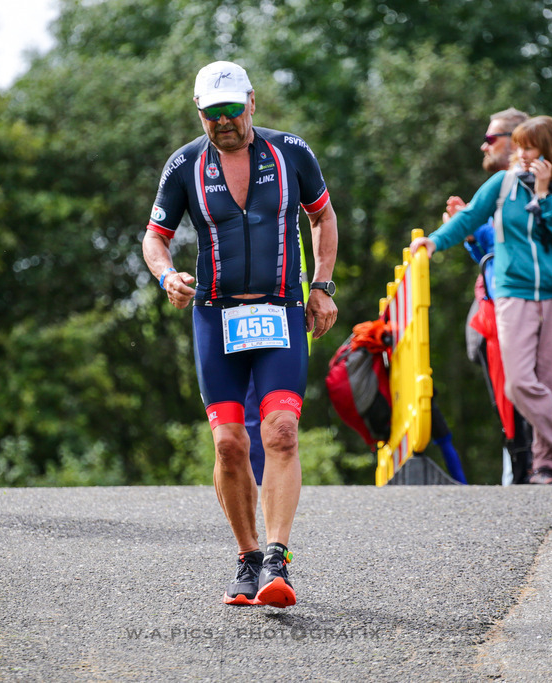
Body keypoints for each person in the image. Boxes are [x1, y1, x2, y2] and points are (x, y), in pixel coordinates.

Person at [141, 61, 338, 607]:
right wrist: (166, 276)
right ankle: (248, 555)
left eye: (232, 109)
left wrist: (321, 285)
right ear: (199, 112)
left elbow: (324, 217)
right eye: (212, 113)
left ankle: (278, 557)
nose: (224, 121)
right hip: (215, 314)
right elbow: (154, 238)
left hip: (280, 311)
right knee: (229, 445)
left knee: (280, 432)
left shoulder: (291, 152)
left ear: (252, 101)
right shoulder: (183, 164)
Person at [412, 115, 552, 485]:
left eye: (529, 147)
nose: (521, 154)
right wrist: (436, 240)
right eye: (519, 146)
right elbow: (471, 217)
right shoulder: (503, 182)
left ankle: (547, 466)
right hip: (513, 293)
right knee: (519, 382)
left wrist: (543, 196)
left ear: (550, 150)